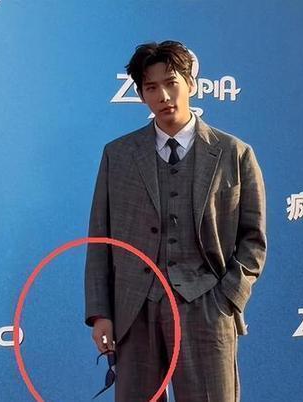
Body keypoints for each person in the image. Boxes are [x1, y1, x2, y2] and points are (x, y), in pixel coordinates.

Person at [84, 40, 267, 402]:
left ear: (191, 84)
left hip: (206, 307)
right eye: (151, 87)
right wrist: (101, 313)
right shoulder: (117, 155)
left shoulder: (234, 153)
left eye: (172, 83)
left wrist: (228, 299)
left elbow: (253, 240)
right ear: (141, 95)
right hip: (134, 311)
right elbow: (100, 240)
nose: (164, 96)